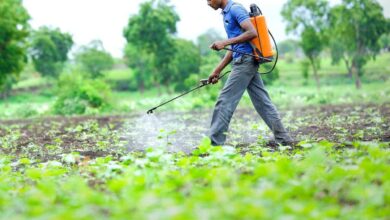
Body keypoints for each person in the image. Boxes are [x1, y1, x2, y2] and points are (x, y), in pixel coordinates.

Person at [206, 0, 293, 146]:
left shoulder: (235, 9)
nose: (208, 3)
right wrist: (217, 71)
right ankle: (283, 138)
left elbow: (252, 32)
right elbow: (235, 47)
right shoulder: (227, 13)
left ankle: (214, 145)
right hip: (244, 60)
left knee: (224, 101)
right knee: (263, 103)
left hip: (245, 62)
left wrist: (224, 42)